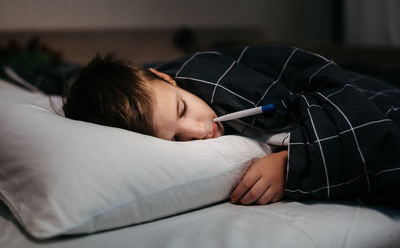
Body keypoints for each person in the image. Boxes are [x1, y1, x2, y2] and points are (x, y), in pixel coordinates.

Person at [63, 45, 400, 208]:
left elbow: (322, 84)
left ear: (166, 78)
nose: (197, 131)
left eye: (182, 109)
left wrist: (292, 163)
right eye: (177, 139)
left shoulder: (211, 75)